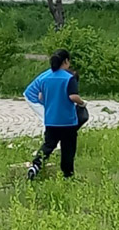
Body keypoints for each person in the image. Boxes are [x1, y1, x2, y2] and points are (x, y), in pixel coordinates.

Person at [25, 49, 85, 181]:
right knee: (68, 149)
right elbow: (73, 96)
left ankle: (36, 166)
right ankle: (67, 175)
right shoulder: (69, 78)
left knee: (48, 145)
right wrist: (82, 103)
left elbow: (40, 97)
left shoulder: (45, 78)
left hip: (51, 120)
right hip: (68, 121)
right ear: (66, 61)